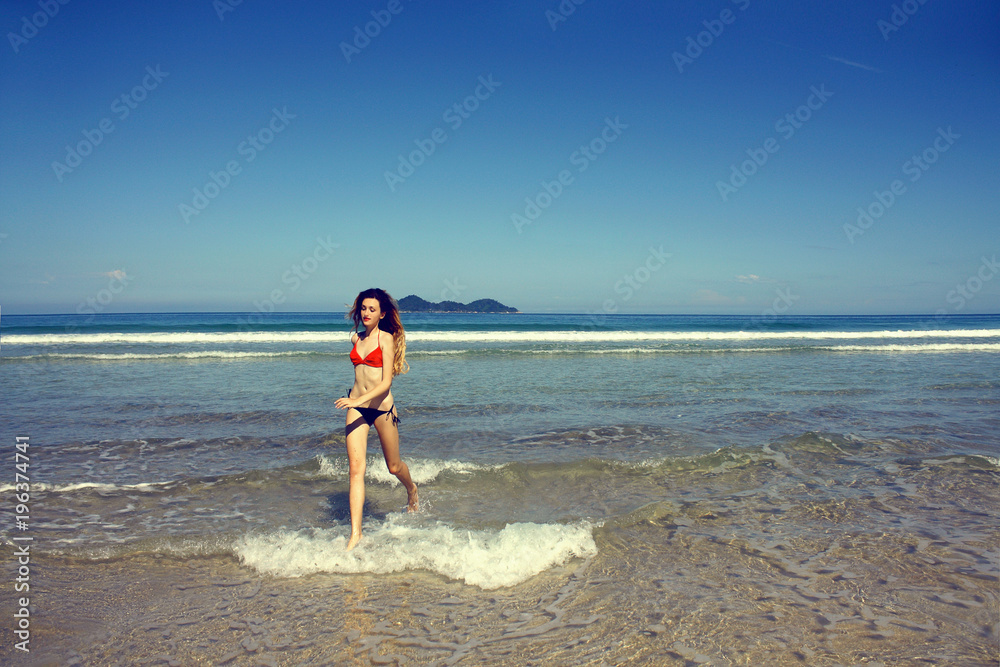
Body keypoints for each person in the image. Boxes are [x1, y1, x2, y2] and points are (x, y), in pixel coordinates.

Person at [334, 288, 418, 551]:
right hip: (356, 408)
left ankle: (412, 489)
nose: (367, 313)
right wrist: (356, 402)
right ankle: (355, 535)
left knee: (393, 467)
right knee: (356, 470)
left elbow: (385, 384)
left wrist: (358, 400)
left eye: (372, 309)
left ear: (382, 314)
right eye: (364, 308)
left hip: (381, 409)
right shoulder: (355, 339)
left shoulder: (386, 339)